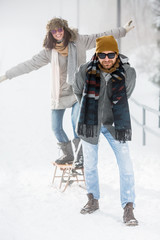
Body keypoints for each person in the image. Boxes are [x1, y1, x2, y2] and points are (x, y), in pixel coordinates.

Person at [0, 17, 134, 168]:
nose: (58, 33)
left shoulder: (80, 41)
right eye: (54, 31)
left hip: (79, 90)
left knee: (76, 122)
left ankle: (79, 155)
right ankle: (68, 154)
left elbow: (101, 36)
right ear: (50, 33)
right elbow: (29, 64)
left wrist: (123, 30)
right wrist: (7, 75)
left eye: (60, 29)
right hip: (60, 93)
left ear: (64, 29)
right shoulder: (49, 52)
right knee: (55, 127)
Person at [73, 35, 138, 226]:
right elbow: (78, 91)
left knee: (126, 166)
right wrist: (89, 111)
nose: (107, 58)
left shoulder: (128, 72)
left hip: (115, 124)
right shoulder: (85, 70)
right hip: (90, 123)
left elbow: (127, 93)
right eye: (102, 54)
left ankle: (128, 206)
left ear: (116, 53)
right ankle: (93, 199)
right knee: (91, 165)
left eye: (111, 54)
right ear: (97, 54)